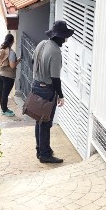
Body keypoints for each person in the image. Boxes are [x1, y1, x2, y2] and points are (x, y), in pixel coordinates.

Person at [32, 20, 73, 164]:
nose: (66, 40)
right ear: (60, 37)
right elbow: (55, 78)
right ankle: (45, 154)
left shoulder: (41, 44)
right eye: (65, 37)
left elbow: (33, 62)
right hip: (47, 89)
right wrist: (60, 95)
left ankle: (40, 150)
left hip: (36, 85)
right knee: (45, 123)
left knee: (39, 120)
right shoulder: (55, 51)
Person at [0, 34, 20, 116]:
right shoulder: (11, 52)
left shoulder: (1, 49)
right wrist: (19, 60)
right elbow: (12, 65)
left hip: (0, 74)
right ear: (12, 41)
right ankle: (5, 110)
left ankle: (3, 109)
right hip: (8, 76)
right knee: (5, 94)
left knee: (2, 93)